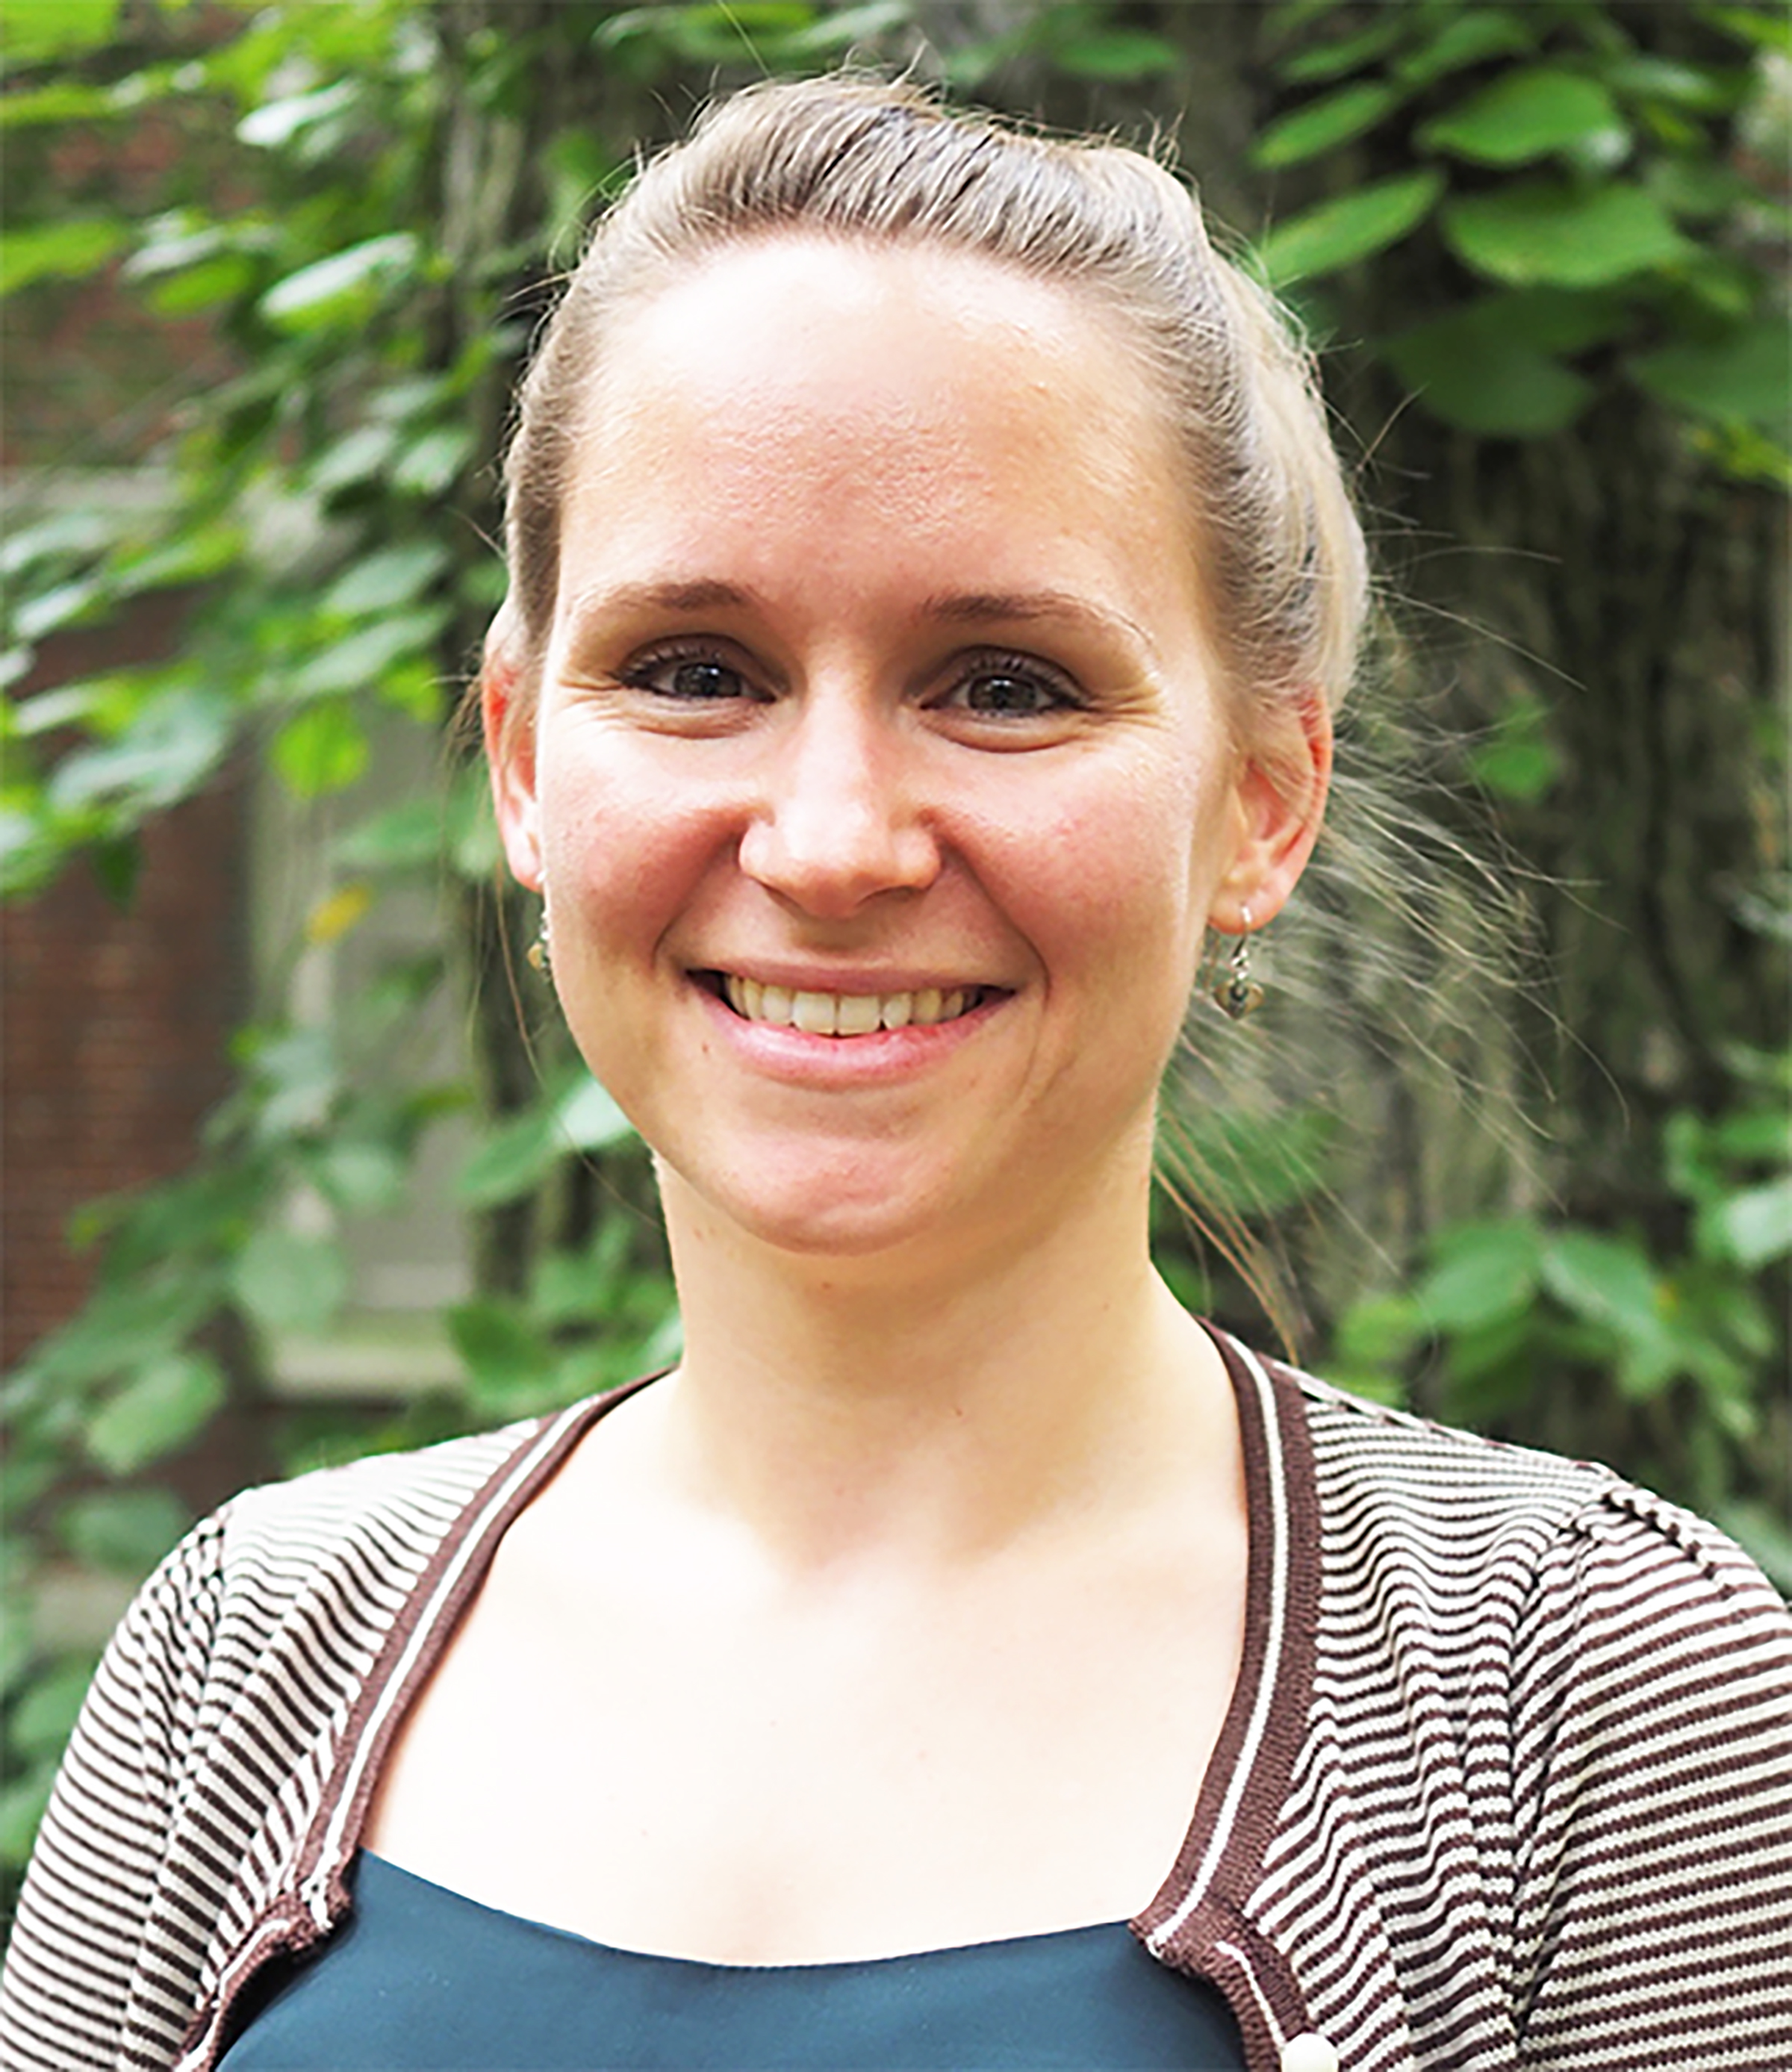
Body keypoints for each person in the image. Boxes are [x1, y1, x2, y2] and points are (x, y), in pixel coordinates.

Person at [3, 75, 1788, 2072]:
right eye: (695, 668)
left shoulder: (1592, 1703)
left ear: (1264, 798)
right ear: (521, 759)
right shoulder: (243, 1653)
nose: (833, 839)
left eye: (1005, 684)